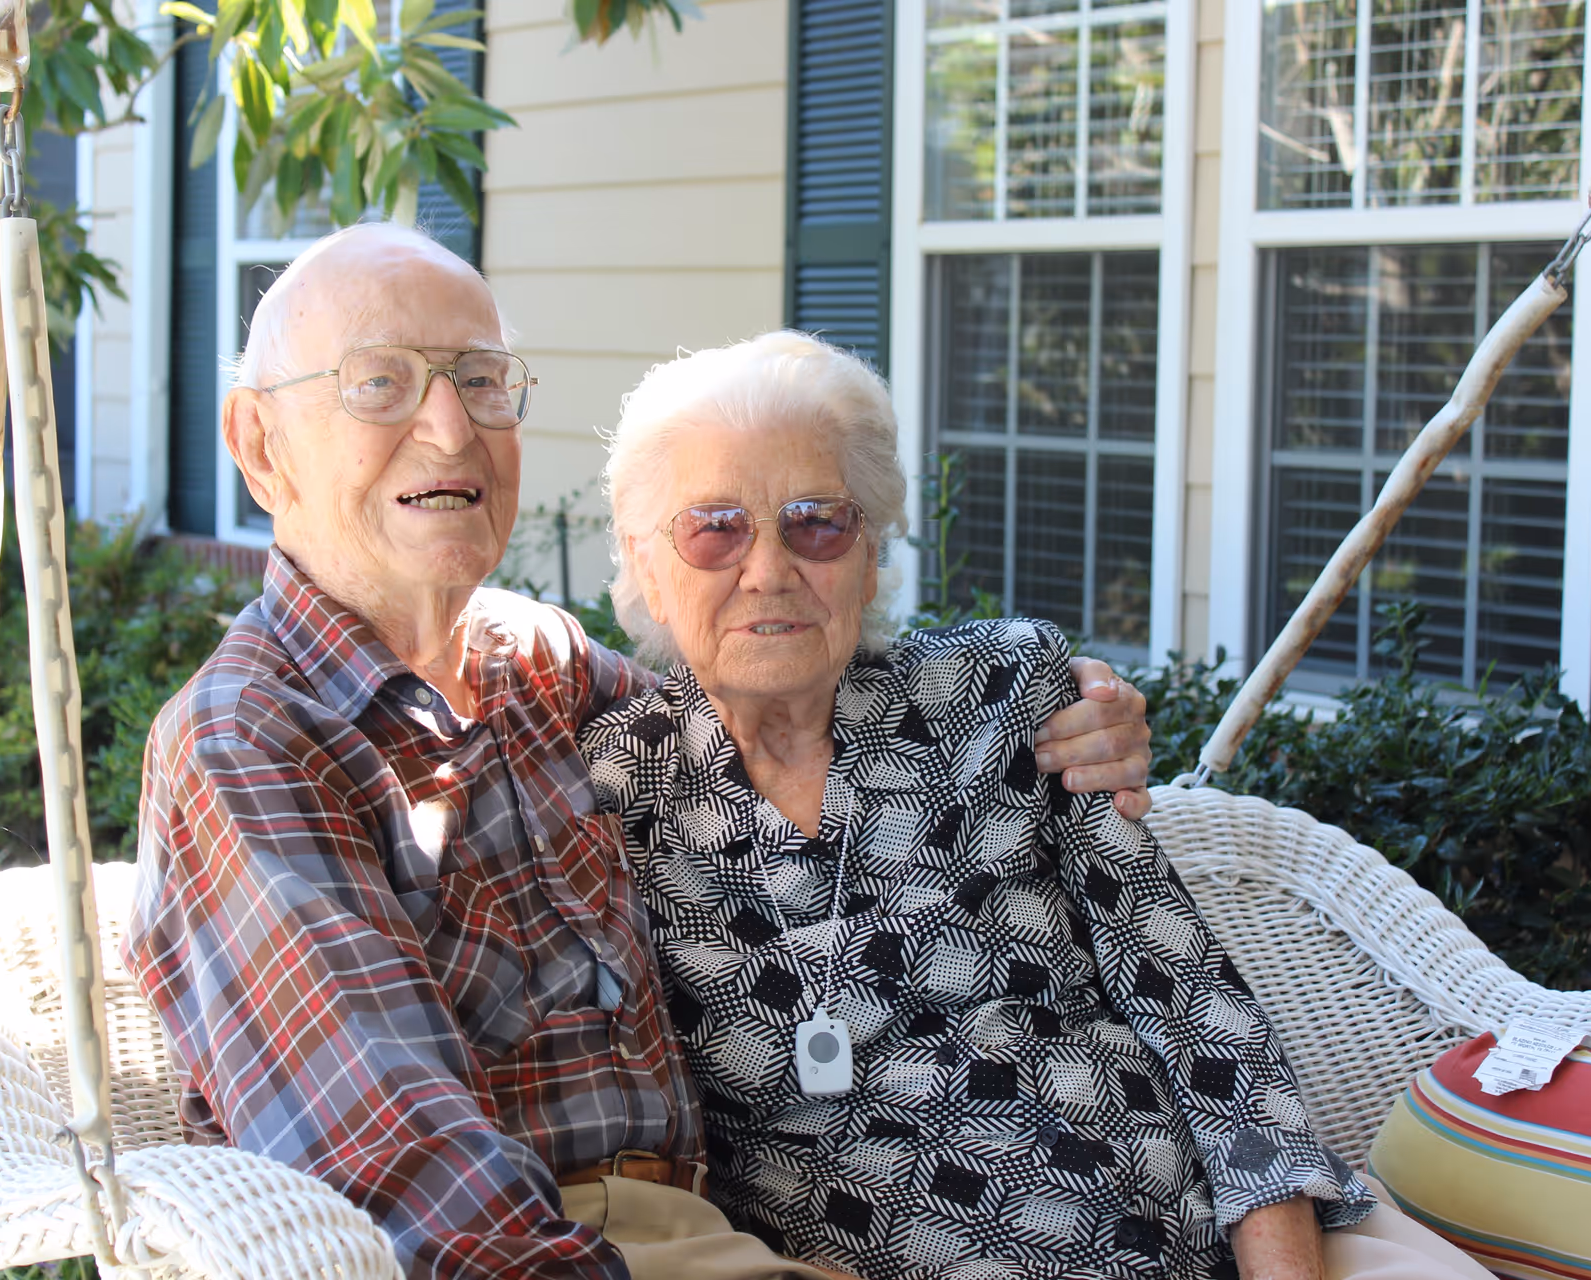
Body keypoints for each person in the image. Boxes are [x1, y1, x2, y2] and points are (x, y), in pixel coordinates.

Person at [121, 222, 1154, 1280]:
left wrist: (1056, 714)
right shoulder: (248, 739)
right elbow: (401, 1165)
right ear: (258, 445)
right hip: (556, 1245)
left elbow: (775, 704)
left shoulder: (535, 661)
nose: (448, 429)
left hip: (742, 1227)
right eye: (379, 383)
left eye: (480, 380)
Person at [579, 331, 1499, 1280]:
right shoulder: (612, 790)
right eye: (715, 528)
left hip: (1183, 1214)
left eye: (816, 522)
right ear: (650, 566)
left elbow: (1196, 1006)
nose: (768, 570)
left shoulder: (1008, 694)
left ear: (870, 553)